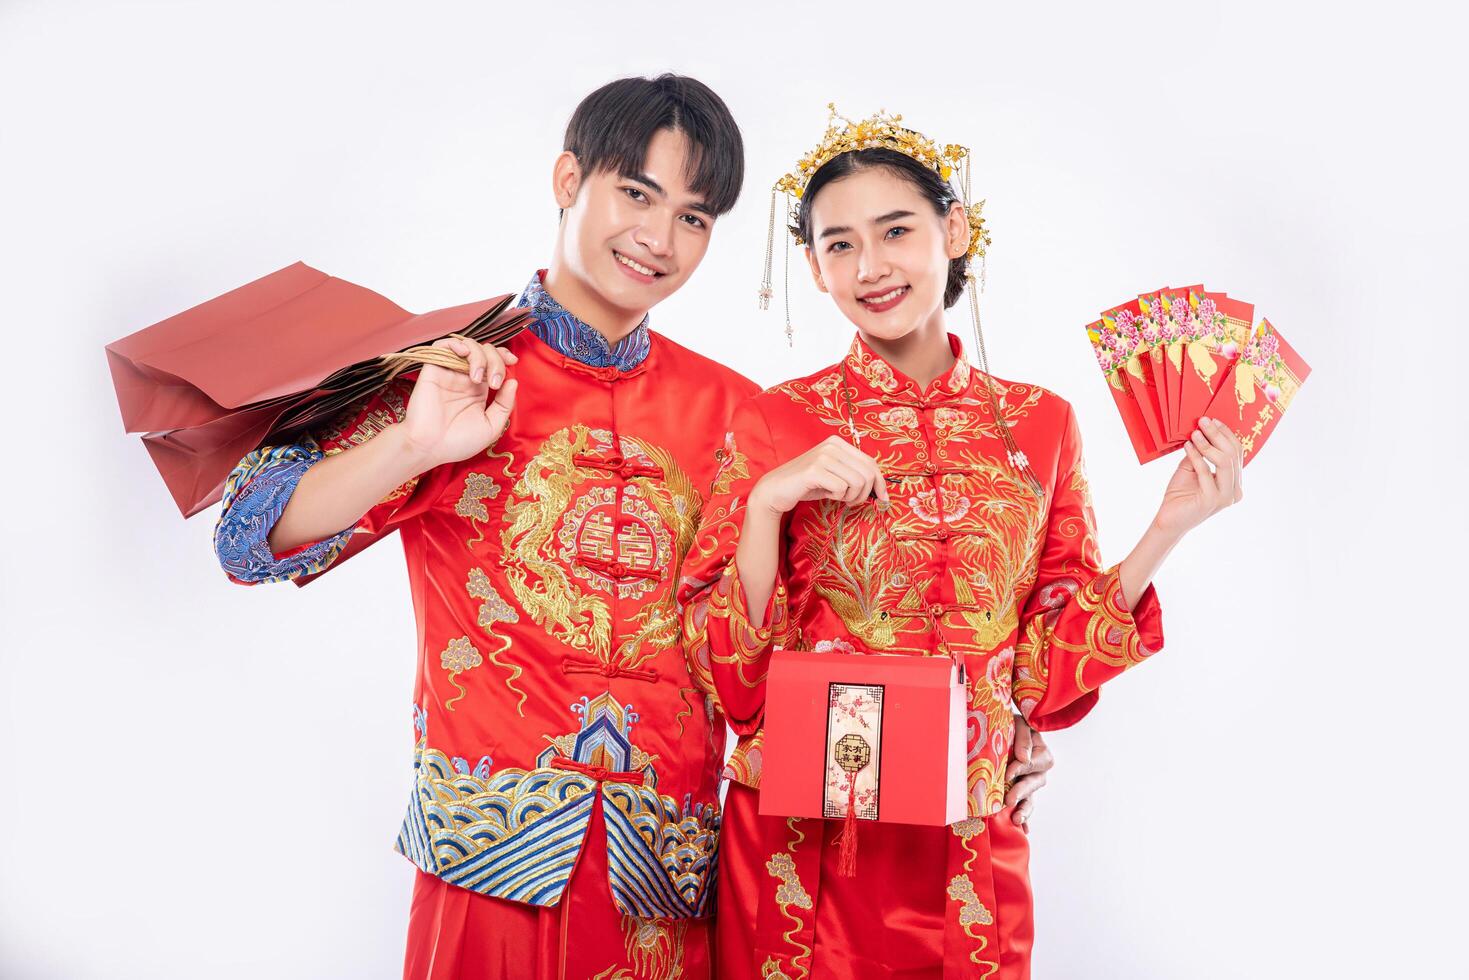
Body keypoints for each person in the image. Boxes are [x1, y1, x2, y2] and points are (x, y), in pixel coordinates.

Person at [679, 109, 1243, 978]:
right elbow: (733, 683)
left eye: (895, 229)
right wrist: (763, 506)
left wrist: (1166, 526)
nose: (870, 266)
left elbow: (1041, 679)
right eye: (838, 245)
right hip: (800, 848)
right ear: (812, 267)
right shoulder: (777, 419)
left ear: (956, 228)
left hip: (970, 844)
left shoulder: (1041, 423)